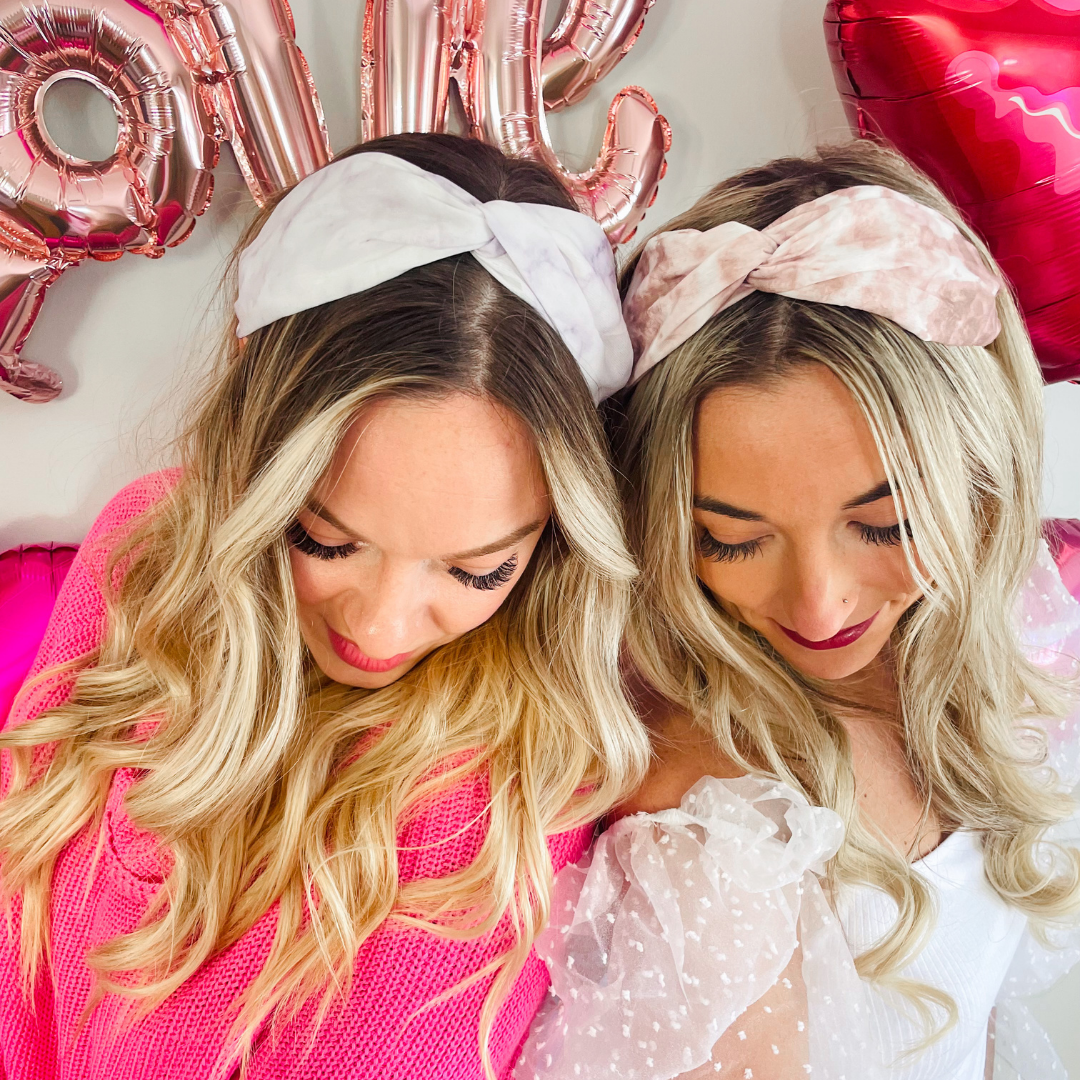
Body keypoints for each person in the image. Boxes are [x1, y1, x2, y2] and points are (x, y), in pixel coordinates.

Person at [0, 133, 651, 1080]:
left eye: (477, 572)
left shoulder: (515, 775)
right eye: (324, 538)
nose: (380, 627)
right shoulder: (147, 544)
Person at [516, 142, 1080, 1079]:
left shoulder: (1007, 644)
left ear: (979, 484)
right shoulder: (719, 829)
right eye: (734, 540)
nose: (820, 604)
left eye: (886, 524)